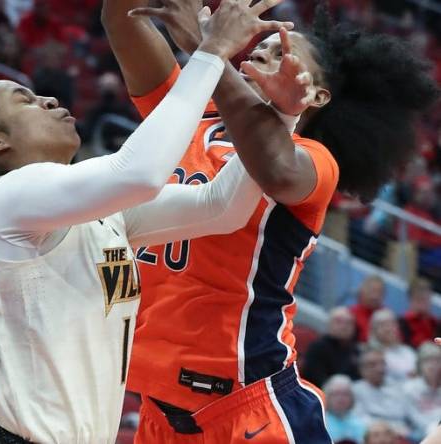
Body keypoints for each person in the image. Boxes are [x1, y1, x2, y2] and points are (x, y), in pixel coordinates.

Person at [0, 1, 292, 442]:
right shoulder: (10, 197)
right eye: (24, 101)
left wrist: (283, 112)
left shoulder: (90, 210)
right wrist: (212, 51)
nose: (48, 98)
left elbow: (222, 207)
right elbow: (139, 173)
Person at [102, 0, 439, 441]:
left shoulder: (315, 163)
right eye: (261, 46)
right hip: (158, 411)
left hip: (250, 409)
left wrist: (207, 50)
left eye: (282, 53)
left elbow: (277, 170)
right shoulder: (189, 117)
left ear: (316, 95)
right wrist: (206, 50)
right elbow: (118, 18)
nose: (260, 53)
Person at [352, 348, 416, 439]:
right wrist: (388, 430)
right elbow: (359, 419)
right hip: (374, 435)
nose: (380, 369)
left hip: (401, 434)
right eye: (373, 365)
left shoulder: (398, 387)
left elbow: (409, 415)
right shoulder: (355, 390)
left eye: (382, 363)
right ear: (362, 369)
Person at [301, 306, 360, 386]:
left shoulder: (356, 350)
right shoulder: (318, 348)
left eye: (349, 323)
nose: (344, 326)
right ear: (329, 324)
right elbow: (315, 378)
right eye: (339, 322)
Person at [404, 342, 441, 439]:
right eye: (428, 361)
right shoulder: (410, 388)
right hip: (420, 433)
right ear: (419, 364)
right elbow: (412, 417)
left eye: (437, 360)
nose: (433, 365)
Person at [369, 308, 417, 382]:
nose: (388, 328)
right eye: (382, 325)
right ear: (374, 330)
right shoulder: (371, 355)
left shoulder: (408, 351)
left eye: (391, 324)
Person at [324, 374, 367, 444]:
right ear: (327, 397)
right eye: (336, 394)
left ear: (352, 398)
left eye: (345, 394)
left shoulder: (362, 421)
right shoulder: (320, 422)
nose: (340, 399)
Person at [401, 278, 438, 348]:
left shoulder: (436, 324)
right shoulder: (402, 323)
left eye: (426, 299)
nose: (423, 303)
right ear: (410, 299)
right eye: (419, 299)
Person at [350, 275, 387, 342]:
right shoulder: (350, 315)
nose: (375, 296)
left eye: (379, 292)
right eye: (372, 291)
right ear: (362, 291)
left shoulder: (388, 317)